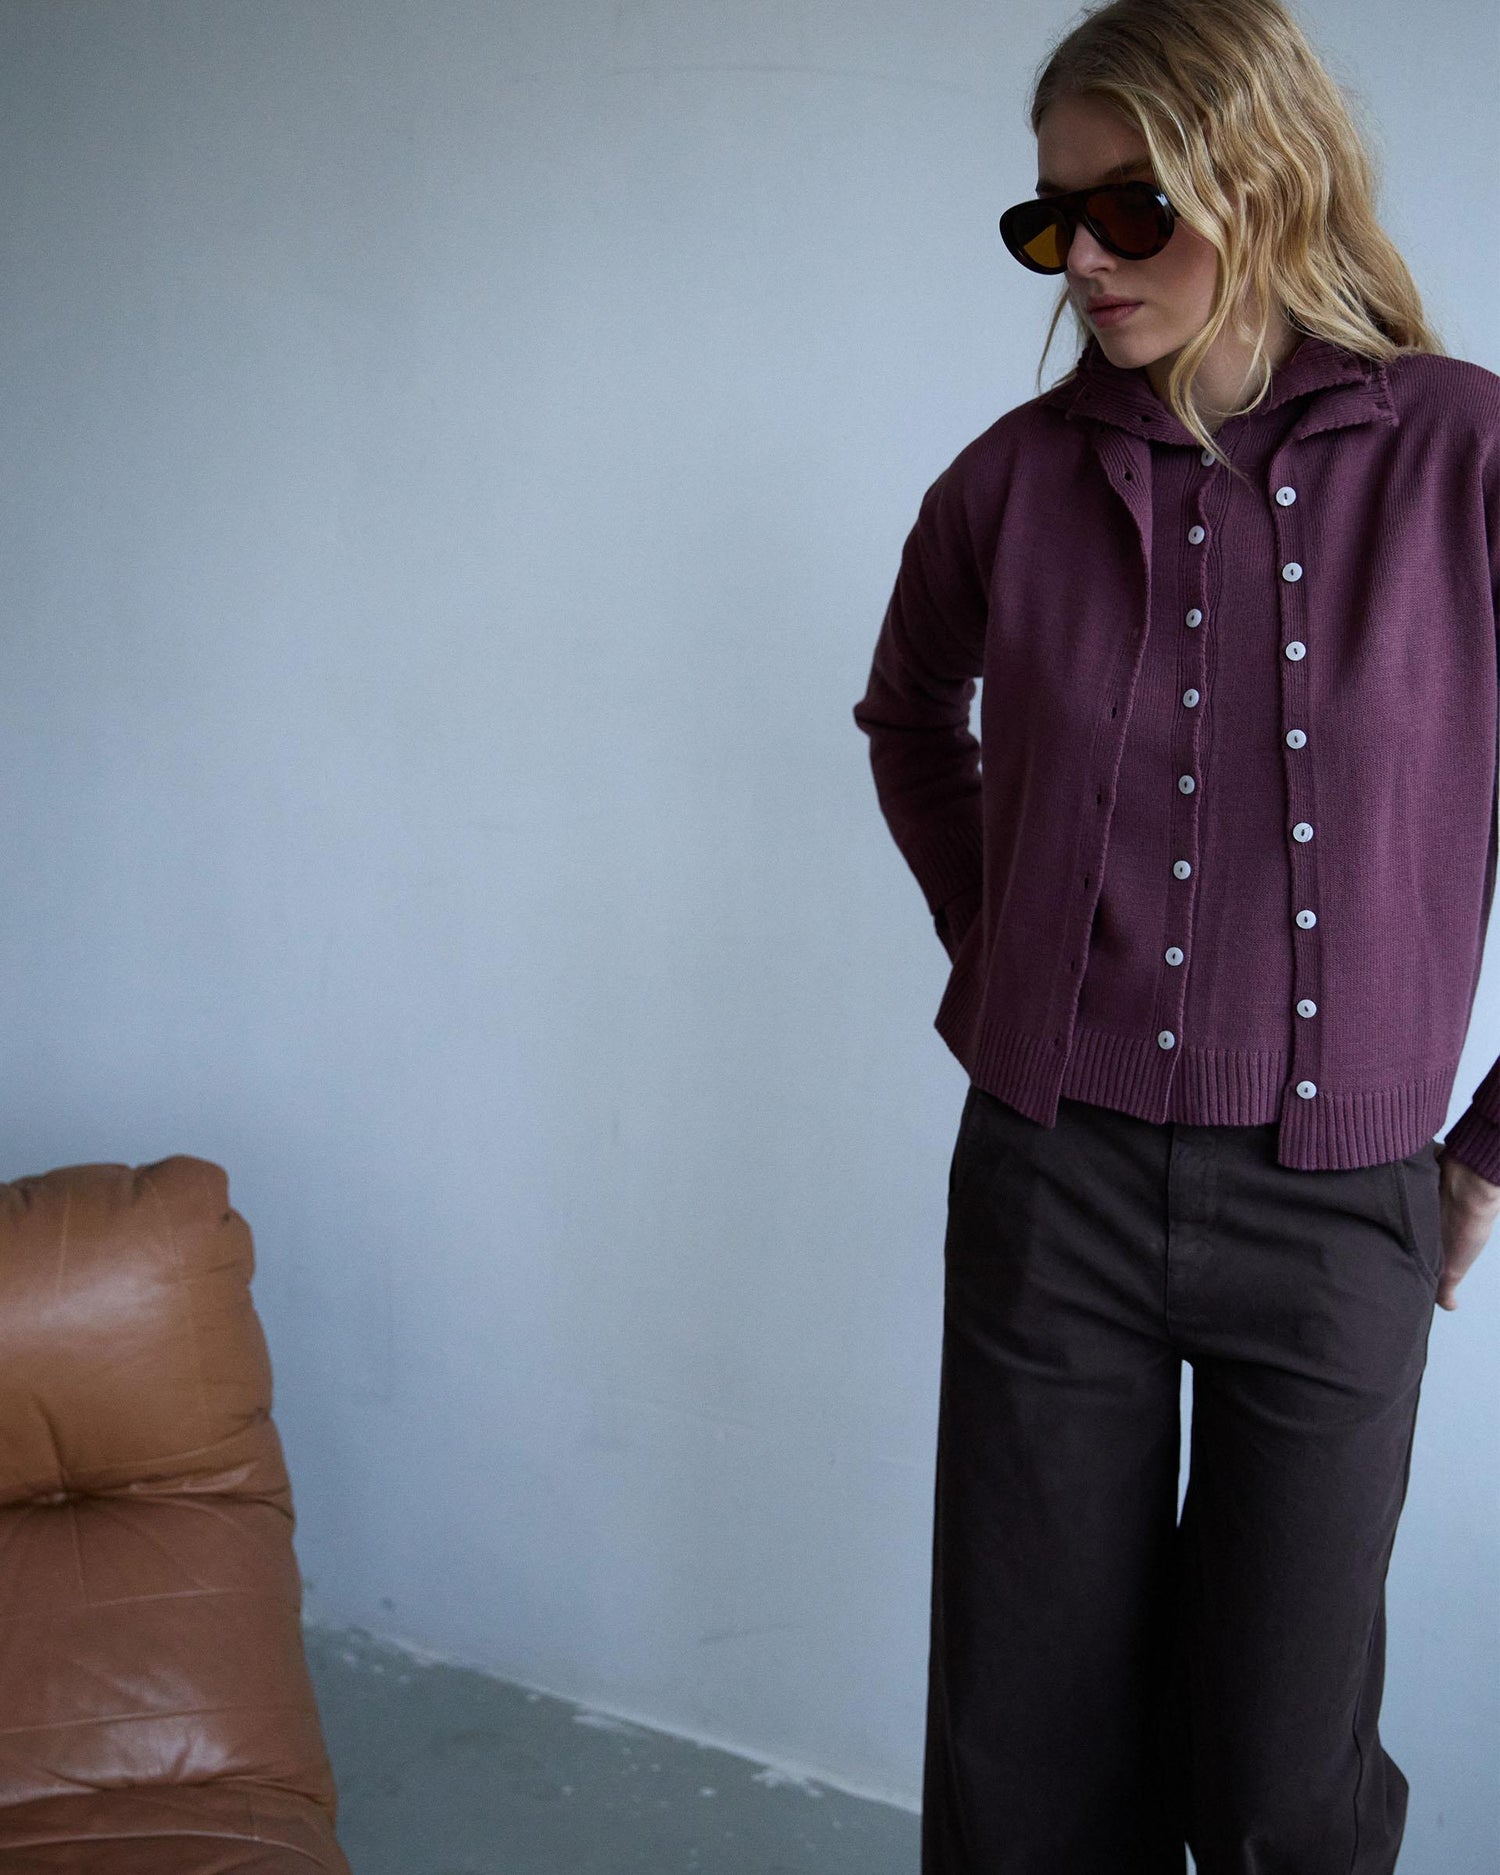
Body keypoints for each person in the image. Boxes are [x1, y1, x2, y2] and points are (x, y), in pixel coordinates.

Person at [850, 1, 1500, 1869]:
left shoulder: (1464, 459)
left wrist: (1488, 1154)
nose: (1085, 259)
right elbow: (910, 716)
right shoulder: (1009, 482)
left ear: (1262, 178)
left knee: (1286, 1781)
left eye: (1130, 208)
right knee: (1027, 1763)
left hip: (1339, 1199)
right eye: (1049, 219)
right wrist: (1004, 948)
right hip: (1050, 1181)